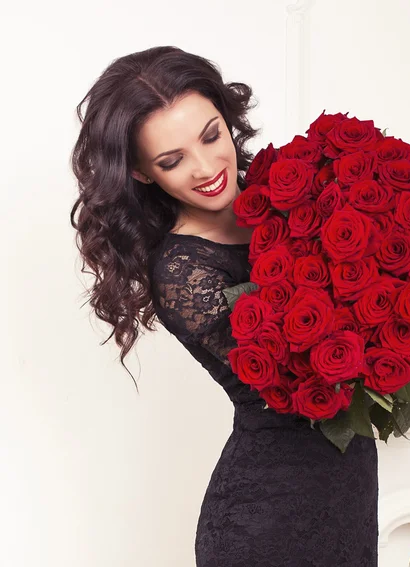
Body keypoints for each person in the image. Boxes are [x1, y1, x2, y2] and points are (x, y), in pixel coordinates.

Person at [70, 46, 379, 566]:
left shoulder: (298, 193)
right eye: (172, 161)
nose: (207, 166)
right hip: (267, 520)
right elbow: (309, 375)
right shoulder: (183, 272)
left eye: (211, 136)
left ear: (227, 119)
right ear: (143, 174)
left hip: (348, 493)